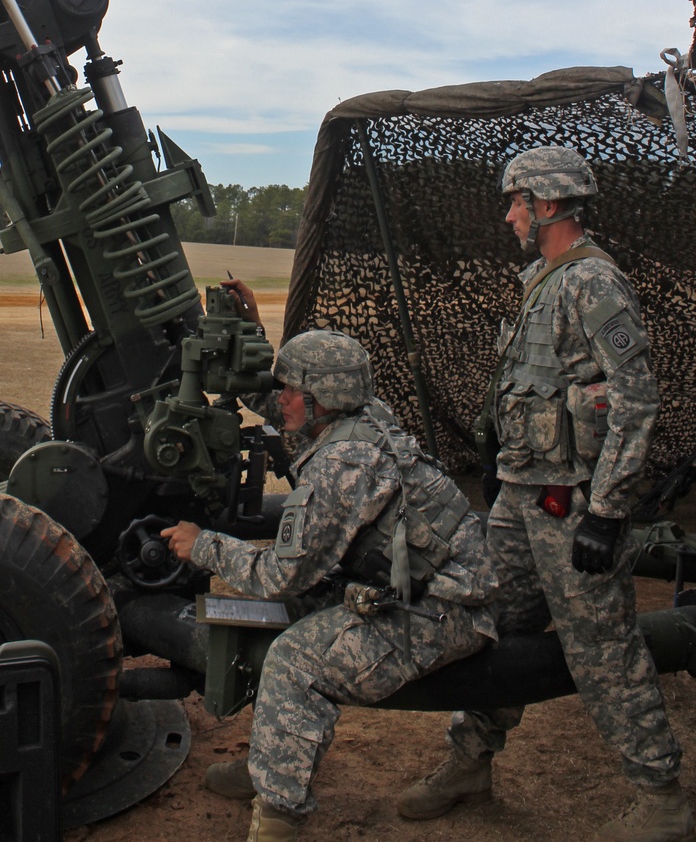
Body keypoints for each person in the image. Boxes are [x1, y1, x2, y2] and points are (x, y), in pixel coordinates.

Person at [397, 146, 693, 842]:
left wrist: (611, 511)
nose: (508, 215)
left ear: (548, 206)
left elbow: (637, 399)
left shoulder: (594, 284)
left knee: (603, 647)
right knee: (491, 619)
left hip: (573, 506)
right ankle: (469, 761)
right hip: (523, 496)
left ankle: (662, 797)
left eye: (516, 202)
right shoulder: (545, 280)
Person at [161, 308, 499, 842]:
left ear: (322, 397)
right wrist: (248, 330)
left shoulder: (343, 464)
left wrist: (202, 546)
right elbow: (276, 401)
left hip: (444, 609)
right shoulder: (360, 414)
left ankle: (278, 818)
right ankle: (268, 763)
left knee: (295, 659)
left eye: (292, 391)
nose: (282, 402)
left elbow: (278, 575)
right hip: (414, 585)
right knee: (292, 617)